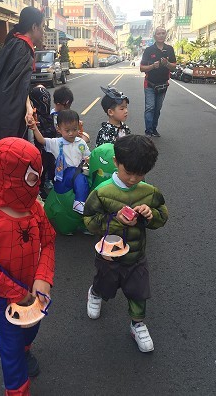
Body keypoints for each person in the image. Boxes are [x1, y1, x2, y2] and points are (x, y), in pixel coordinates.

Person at [0, 137, 56, 396]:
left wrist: (43, 277)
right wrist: (17, 293)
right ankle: (17, 390)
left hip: (35, 291)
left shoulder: (35, 209)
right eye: (32, 178)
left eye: (38, 175)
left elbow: (48, 241)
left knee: (31, 329)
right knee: (10, 347)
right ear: (8, 177)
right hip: (3, 295)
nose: (37, 184)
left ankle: (26, 348)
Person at [83, 134, 168, 353]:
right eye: (128, 172)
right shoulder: (102, 192)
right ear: (116, 162)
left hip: (136, 255)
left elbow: (162, 216)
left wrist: (150, 215)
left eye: (140, 174)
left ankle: (137, 324)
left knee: (139, 291)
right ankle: (95, 293)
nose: (132, 179)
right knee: (105, 283)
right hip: (109, 255)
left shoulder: (149, 192)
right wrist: (115, 220)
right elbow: (89, 220)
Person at [0, 6, 45, 192]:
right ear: (34, 27)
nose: (43, 32)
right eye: (42, 27)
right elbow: (14, 90)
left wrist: (28, 106)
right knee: (10, 153)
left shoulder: (15, 44)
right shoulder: (21, 48)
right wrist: (24, 111)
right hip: (5, 115)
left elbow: (18, 87)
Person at [26, 108, 91, 214]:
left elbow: (88, 157)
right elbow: (42, 140)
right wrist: (34, 128)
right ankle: (79, 203)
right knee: (76, 173)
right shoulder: (56, 143)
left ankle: (80, 205)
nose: (71, 133)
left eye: (74, 129)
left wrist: (88, 161)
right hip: (63, 178)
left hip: (78, 176)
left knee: (82, 176)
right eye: (67, 130)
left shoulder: (81, 143)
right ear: (58, 129)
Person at [139, 26, 177, 138]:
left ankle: (154, 129)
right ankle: (148, 131)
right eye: (158, 33)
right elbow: (142, 68)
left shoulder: (170, 49)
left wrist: (167, 64)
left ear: (166, 35)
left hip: (163, 85)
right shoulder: (148, 50)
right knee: (150, 107)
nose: (161, 35)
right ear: (155, 36)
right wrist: (152, 66)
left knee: (157, 109)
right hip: (150, 84)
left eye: (163, 33)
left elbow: (174, 67)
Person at [28, 84, 57, 199]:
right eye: (43, 100)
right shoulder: (33, 117)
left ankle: (48, 182)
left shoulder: (47, 115)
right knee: (41, 168)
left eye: (47, 99)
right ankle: (39, 189)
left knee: (51, 165)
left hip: (50, 146)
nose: (46, 102)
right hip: (39, 149)